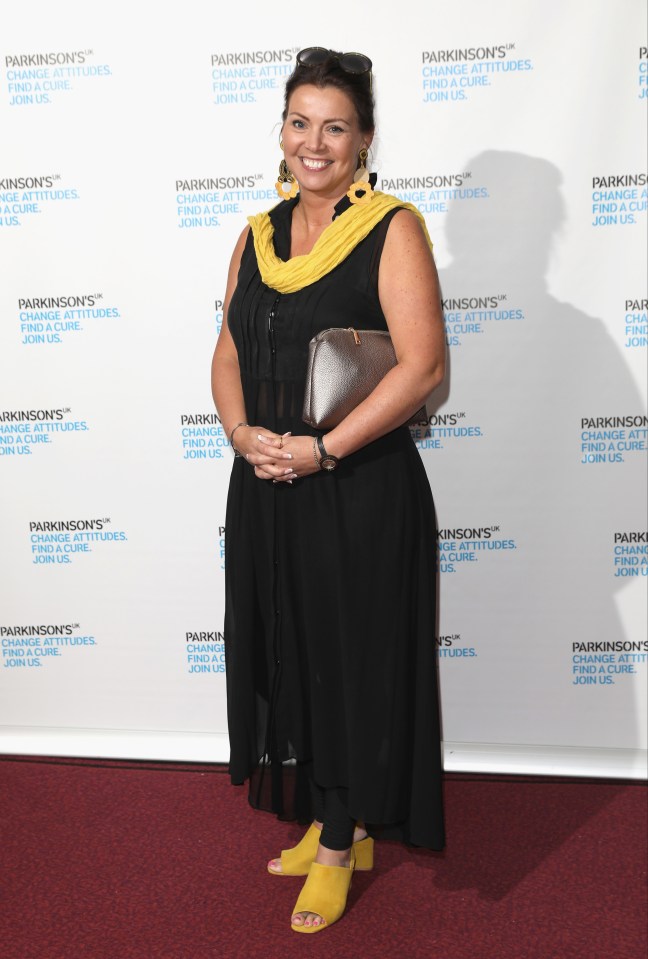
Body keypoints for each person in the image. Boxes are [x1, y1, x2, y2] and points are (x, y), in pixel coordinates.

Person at [211, 47, 446, 934]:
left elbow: (422, 366)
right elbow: (229, 350)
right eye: (301, 122)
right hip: (268, 482)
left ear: (365, 140)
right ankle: (325, 812)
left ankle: (344, 841)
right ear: (281, 132)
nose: (316, 142)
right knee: (295, 651)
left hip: (357, 489)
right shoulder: (257, 234)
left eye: (336, 127)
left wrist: (322, 451)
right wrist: (244, 438)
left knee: (350, 661)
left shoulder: (392, 228)